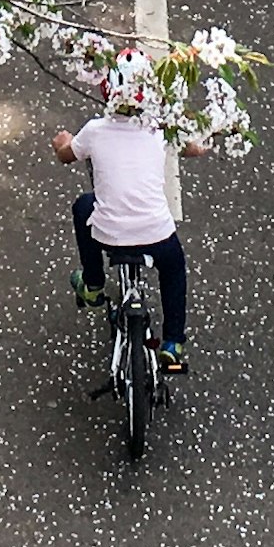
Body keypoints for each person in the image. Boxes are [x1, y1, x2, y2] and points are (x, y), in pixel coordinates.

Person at [57, 58, 187, 372]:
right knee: (174, 270)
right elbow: (192, 146)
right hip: (157, 235)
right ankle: (172, 342)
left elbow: (66, 155)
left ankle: (93, 284)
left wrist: (62, 142)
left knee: (84, 207)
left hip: (110, 236)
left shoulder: (95, 130)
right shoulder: (160, 128)